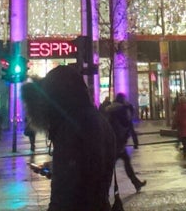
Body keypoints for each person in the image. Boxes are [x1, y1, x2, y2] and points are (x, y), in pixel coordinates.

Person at [21, 65, 116, 211]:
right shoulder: (97, 119)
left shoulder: (72, 127)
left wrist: (64, 169)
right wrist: (59, 168)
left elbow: (63, 198)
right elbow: (88, 167)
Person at [106, 93, 146, 193]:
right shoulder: (121, 111)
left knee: (123, 163)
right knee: (110, 167)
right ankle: (102, 187)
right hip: (117, 144)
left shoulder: (112, 110)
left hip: (115, 143)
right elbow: (127, 124)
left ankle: (136, 183)